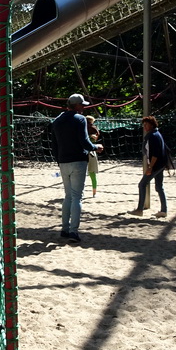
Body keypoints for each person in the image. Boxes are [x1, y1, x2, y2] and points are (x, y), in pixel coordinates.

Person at [51, 93, 102, 242]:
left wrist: (59, 160)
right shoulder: (80, 119)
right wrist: (95, 147)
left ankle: (64, 229)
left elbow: (54, 144)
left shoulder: (57, 121)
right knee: (77, 197)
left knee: (67, 196)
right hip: (78, 161)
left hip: (63, 161)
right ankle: (74, 231)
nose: (84, 107)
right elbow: (84, 142)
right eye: (82, 105)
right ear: (77, 106)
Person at [129, 116, 169, 218]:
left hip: (156, 165)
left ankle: (140, 209)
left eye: (146, 124)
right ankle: (163, 210)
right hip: (160, 164)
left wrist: (150, 167)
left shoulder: (153, 136)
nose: (144, 127)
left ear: (151, 125)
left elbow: (154, 154)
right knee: (159, 187)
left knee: (142, 184)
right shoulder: (156, 133)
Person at [85, 115, 100, 197]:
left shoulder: (82, 130)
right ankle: (94, 193)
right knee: (92, 174)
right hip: (90, 153)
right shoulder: (91, 130)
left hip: (84, 152)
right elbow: (95, 138)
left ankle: (94, 192)